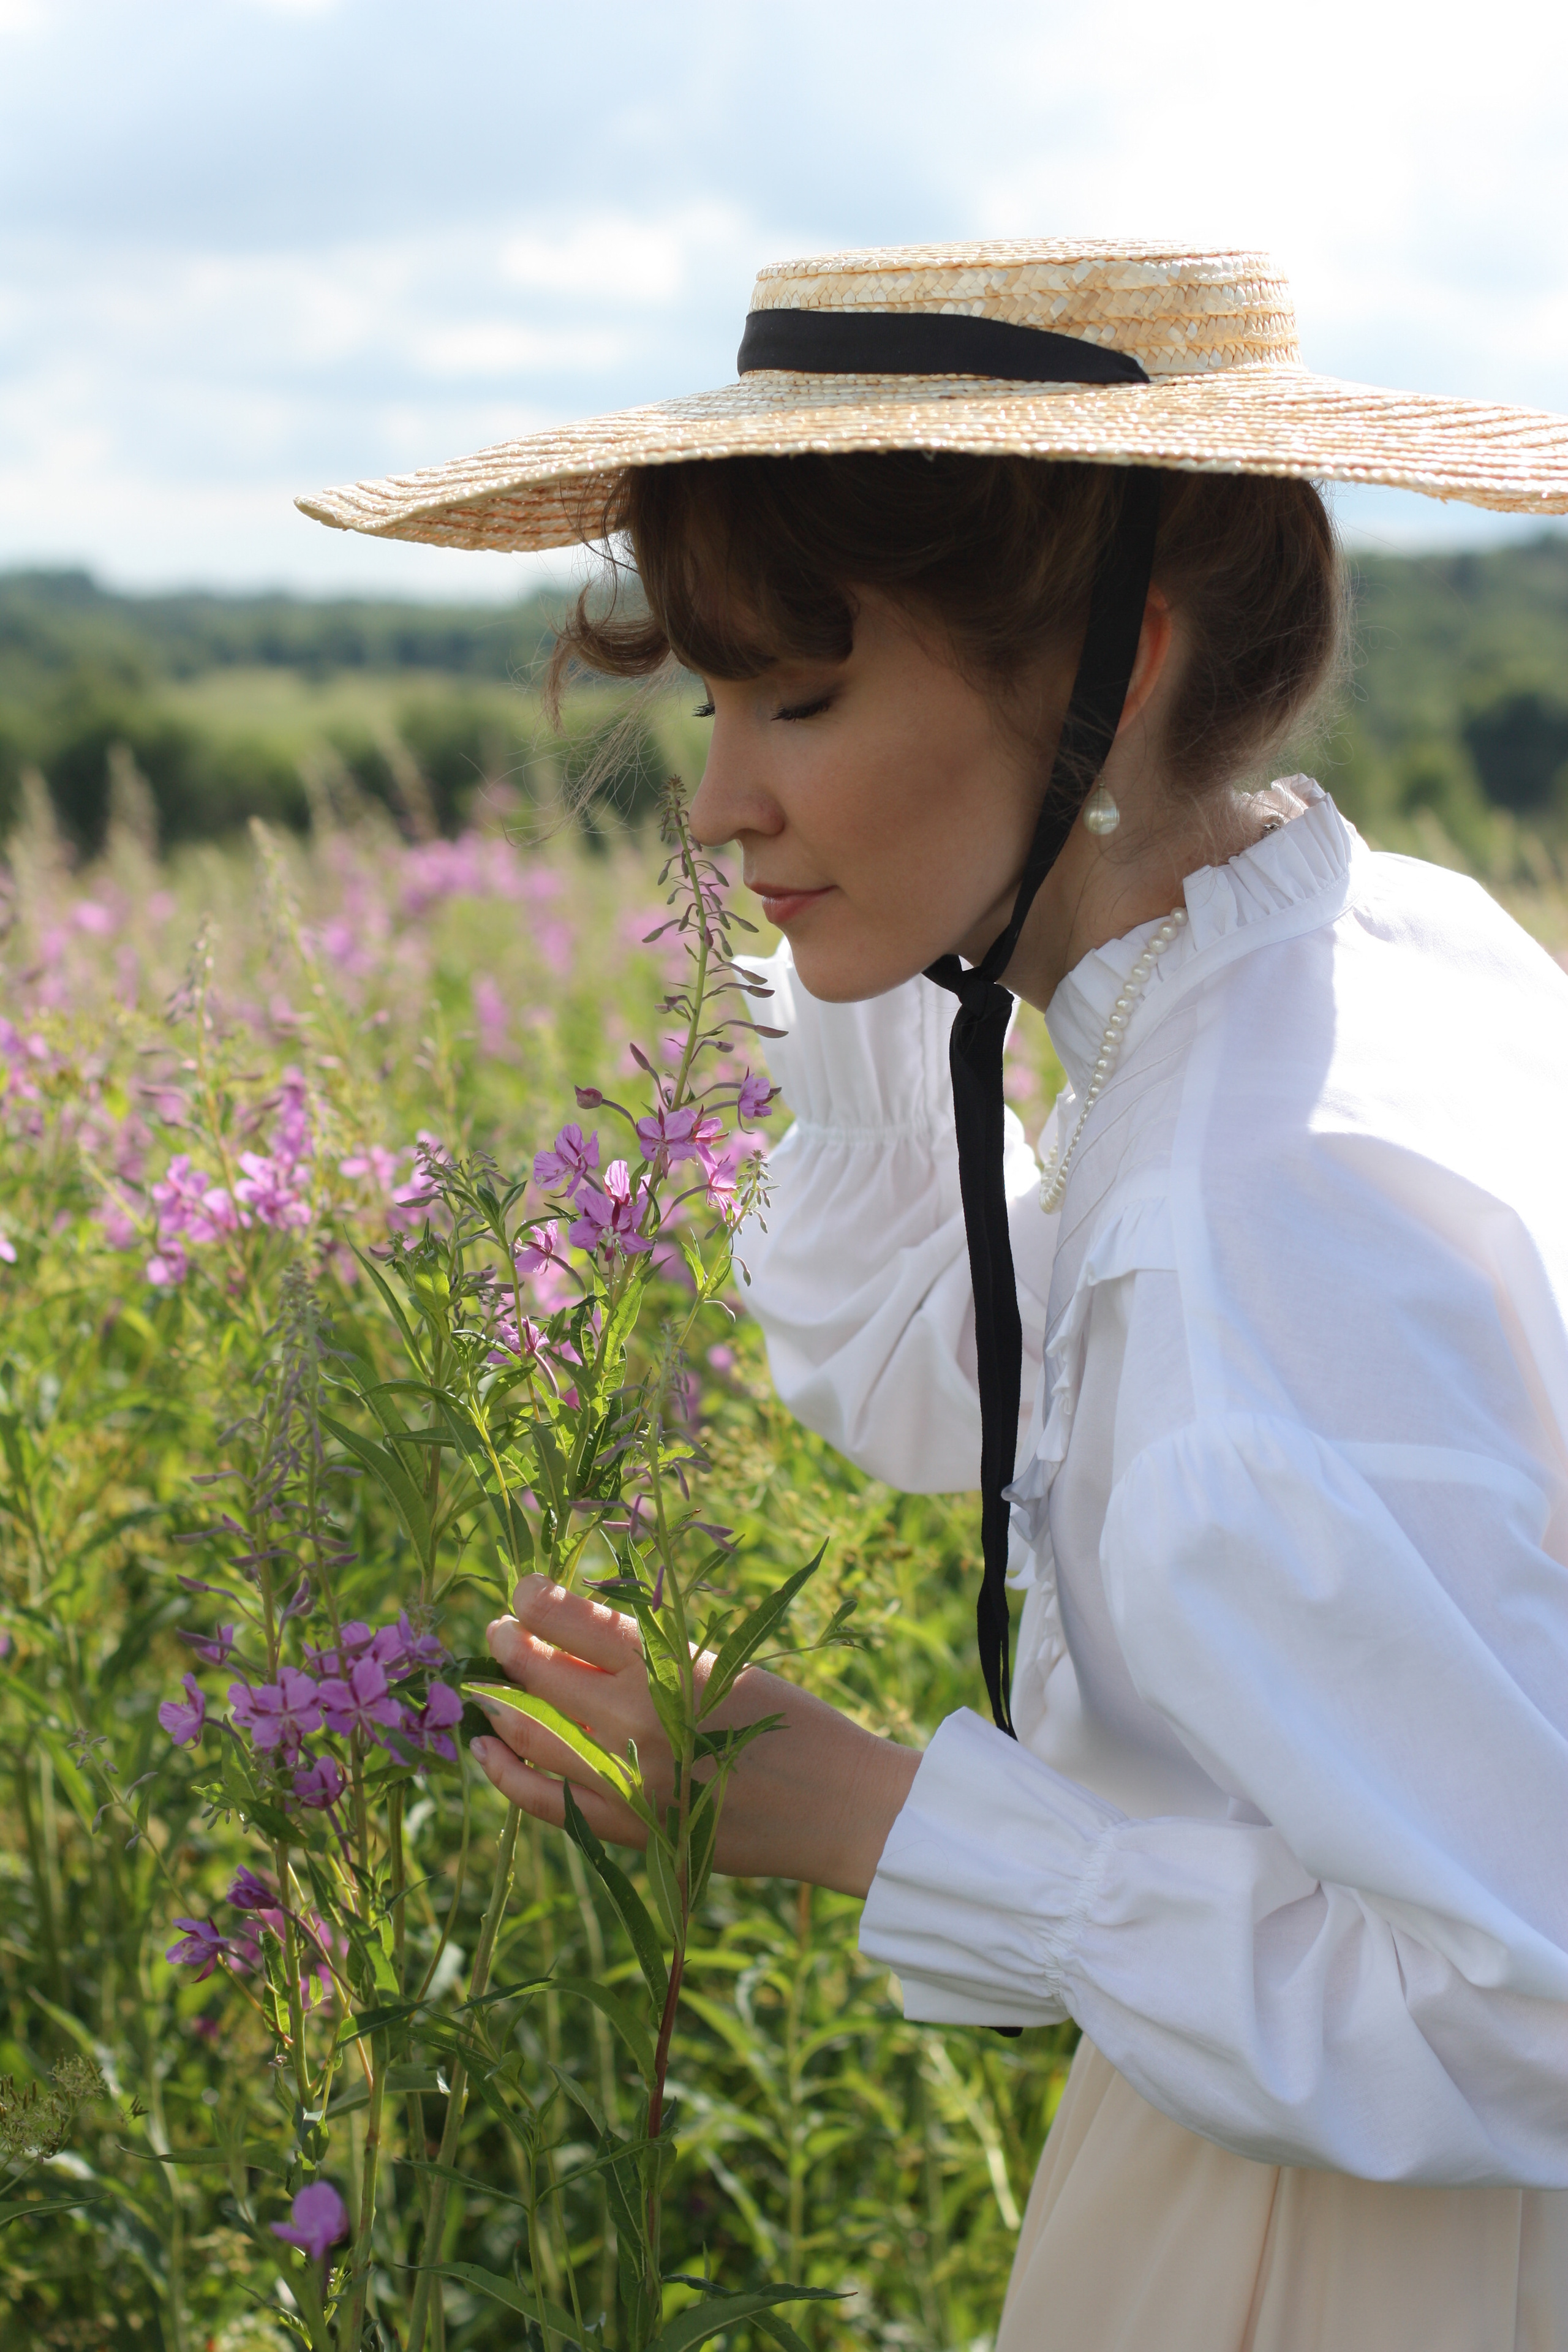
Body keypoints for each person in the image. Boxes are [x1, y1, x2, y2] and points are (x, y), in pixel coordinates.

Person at [300, 241, 1568, 2350]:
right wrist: (873, 930)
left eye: (799, 696)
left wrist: (882, 1818)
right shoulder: (1363, 964)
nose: (716, 807)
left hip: (1363, 2252)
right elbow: (944, 1373)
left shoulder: (1260, 1205)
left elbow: (1528, 2003)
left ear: (1121, 665)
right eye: (712, 701)